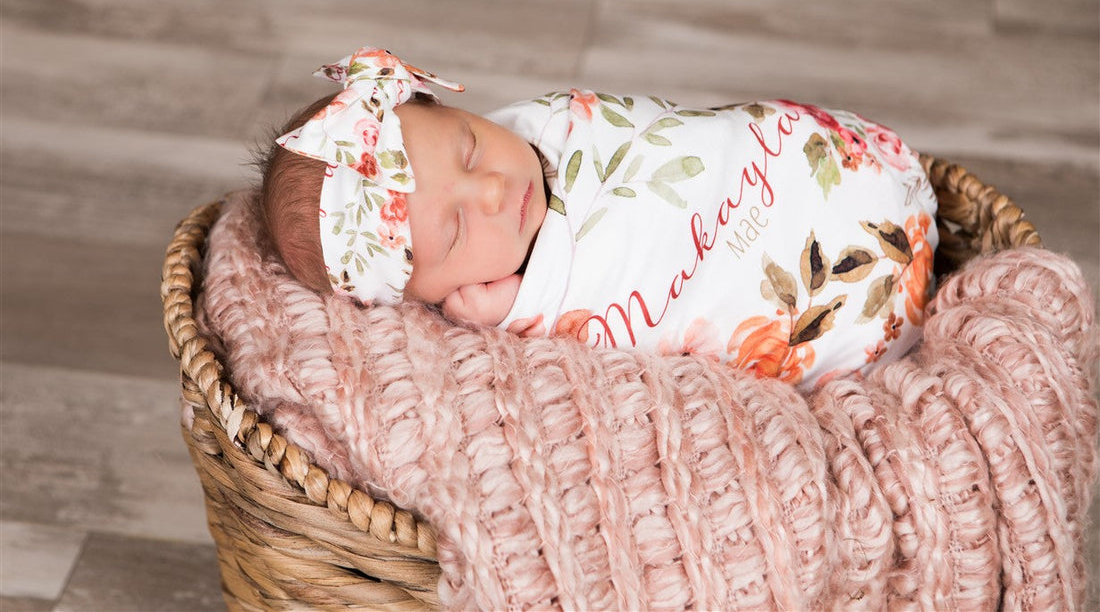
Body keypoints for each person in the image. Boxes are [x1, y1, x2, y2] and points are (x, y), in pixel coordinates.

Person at [263, 46, 938, 389]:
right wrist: (516, 309)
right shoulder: (490, 317)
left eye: (468, 148)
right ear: (424, 299)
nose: (492, 191)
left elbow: (667, 135)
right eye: (456, 230)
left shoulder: (554, 128)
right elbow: (594, 340)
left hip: (836, 169)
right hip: (858, 320)